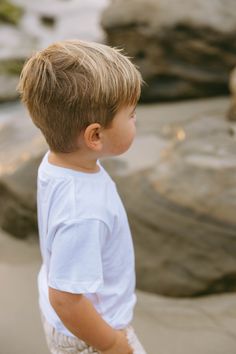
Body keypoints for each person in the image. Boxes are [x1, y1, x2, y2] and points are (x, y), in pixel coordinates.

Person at [18, 39, 146, 354]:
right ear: (95, 136)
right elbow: (65, 299)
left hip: (72, 323)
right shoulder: (84, 211)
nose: (136, 120)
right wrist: (112, 343)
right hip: (92, 333)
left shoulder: (60, 161)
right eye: (130, 115)